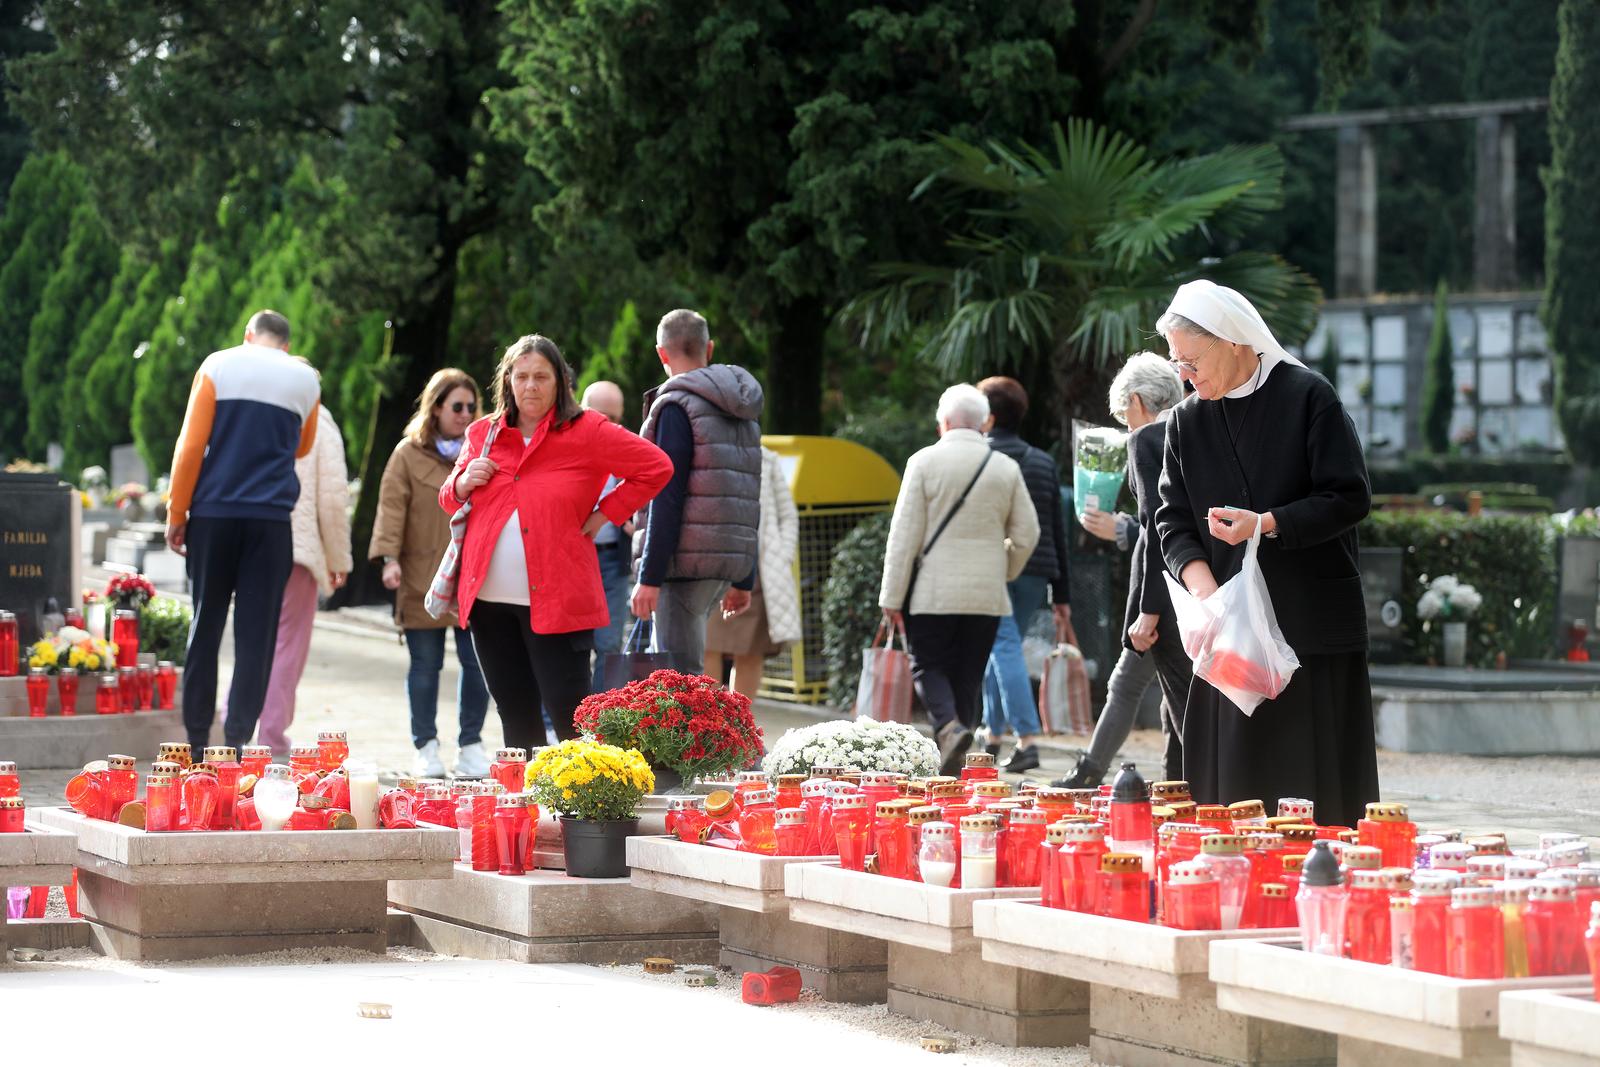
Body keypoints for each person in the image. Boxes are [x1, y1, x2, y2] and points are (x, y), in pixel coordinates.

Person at [1154, 280, 1379, 828]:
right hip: (1228, 635)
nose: (1183, 374)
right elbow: (1171, 519)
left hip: (1306, 620)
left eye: (1191, 360)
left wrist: (1269, 523)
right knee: (1232, 788)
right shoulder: (1187, 420)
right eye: (1176, 362)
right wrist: (1206, 594)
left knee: (1310, 781)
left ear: (1232, 341)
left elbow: (1348, 496)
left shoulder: (1308, 396)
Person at [443, 334, 672, 748]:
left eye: (541, 376)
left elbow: (656, 467)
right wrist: (461, 482)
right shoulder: (484, 433)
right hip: (488, 604)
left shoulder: (588, 430)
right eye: (522, 376)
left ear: (561, 382)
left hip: (559, 599)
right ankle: (528, 808)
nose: (530, 386)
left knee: (572, 718)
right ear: (508, 381)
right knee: (515, 714)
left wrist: (607, 513)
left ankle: (581, 808)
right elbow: (448, 497)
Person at [166, 309, 320, 753]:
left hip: (214, 514)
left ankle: (196, 741)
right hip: (269, 523)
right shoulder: (305, 379)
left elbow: (191, 445)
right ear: (286, 344)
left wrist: (178, 512)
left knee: (206, 625)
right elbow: (303, 445)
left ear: (248, 335)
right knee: (257, 637)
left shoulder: (218, 364)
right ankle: (236, 742)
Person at [880, 384, 1040, 776]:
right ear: (982, 422)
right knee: (969, 674)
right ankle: (958, 762)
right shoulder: (1005, 468)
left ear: (944, 422)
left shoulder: (923, 462)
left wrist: (891, 596)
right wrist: (1003, 569)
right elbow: (1027, 534)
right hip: (986, 595)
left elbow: (904, 537)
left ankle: (949, 728)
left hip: (932, 592)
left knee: (927, 664)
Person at [1057, 353, 1190, 787]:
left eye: (1124, 416)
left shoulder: (1148, 439)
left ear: (1135, 400)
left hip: (1162, 598)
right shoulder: (1197, 429)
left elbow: (1158, 529)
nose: (1126, 428)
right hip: (1199, 588)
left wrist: (1147, 610)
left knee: (1149, 693)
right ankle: (1178, 786)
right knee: (1172, 699)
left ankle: (1095, 774)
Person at [370, 368, 494, 777]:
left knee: (477, 663)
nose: (464, 414)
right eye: (456, 406)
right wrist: (389, 560)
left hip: (473, 575)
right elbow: (391, 508)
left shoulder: (485, 450)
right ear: (436, 407)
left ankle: (472, 744)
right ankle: (425, 745)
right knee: (425, 665)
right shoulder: (408, 453)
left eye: (471, 407)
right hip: (421, 573)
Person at [630, 309, 763, 672]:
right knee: (689, 680)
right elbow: (749, 492)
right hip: (724, 563)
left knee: (680, 684)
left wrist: (649, 576)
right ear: (710, 347)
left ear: (661, 354)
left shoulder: (676, 405)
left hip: (682, 565)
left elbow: (667, 493)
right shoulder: (742, 407)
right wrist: (743, 577)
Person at [226, 402, 352, 757]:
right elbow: (331, 498)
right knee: (287, 645)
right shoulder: (320, 422)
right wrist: (338, 556)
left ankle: (231, 722)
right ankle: (271, 734)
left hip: (252, 544)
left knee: (250, 639)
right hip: (299, 547)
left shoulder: (255, 411)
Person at [974, 377, 1074, 774]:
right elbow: (1057, 529)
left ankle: (1028, 738)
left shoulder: (981, 458)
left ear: (989, 417)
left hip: (995, 566)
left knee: (1001, 644)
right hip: (1037, 570)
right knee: (1001, 645)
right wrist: (1061, 593)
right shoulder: (1042, 461)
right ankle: (993, 734)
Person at [704, 445, 802, 696]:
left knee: (749, 649)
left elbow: (788, 516)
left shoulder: (767, 459)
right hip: (712, 565)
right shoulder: (707, 447)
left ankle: (741, 723)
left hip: (757, 569)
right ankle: (708, 721)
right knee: (708, 644)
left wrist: (782, 554)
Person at [581, 380, 636, 691]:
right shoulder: (565, 450)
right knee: (564, 644)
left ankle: (597, 723)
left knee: (609, 643)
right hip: (573, 559)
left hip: (613, 559)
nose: (605, 424)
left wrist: (633, 522)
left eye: (613, 418)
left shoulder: (627, 450)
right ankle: (555, 722)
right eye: (598, 415)